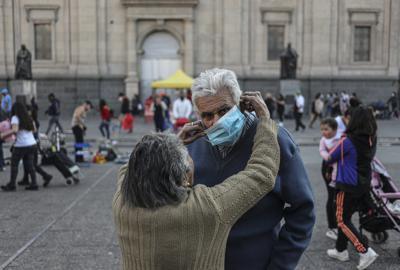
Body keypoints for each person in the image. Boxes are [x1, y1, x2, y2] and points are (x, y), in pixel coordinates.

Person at [113, 92, 280, 270]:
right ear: (185, 178)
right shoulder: (206, 208)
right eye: (188, 157)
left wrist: (175, 143)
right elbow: (262, 173)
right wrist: (265, 120)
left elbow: (131, 168)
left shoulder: (122, 203)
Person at [188, 68, 315, 270]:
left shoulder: (277, 141)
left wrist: (280, 265)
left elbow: (303, 210)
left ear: (241, 105)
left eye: (224, 111)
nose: (217, 121)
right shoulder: (193, 143)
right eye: (207, 115)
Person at [326, 106, 378, 270]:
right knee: (346, 216)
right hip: (363, 184)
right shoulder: (372, 139)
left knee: (341, 220)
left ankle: (364, 251)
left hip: (347, 186)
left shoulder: (347, 141)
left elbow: (330, 156)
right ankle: (341, 250)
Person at [0, 102, 38, 191]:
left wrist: (3, 134)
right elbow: (34, 130)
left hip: (21, 145)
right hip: (32, 144)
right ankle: (34, 183)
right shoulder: (28, 117)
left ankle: (12, 185)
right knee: (30, 165)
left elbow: (15, 130)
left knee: (14, 164)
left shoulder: (15, 118)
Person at [319, 118, 341, 241]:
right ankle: (332, 227)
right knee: (331, 196)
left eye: (326, 129)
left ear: (334, 129)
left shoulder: (340, 138)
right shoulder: (324, 140)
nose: (323, 132)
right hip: (328, 168)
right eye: (322, 129)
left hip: (339, 168)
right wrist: (328, 157)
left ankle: (339, 223)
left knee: (338, 197)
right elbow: (321, 151)